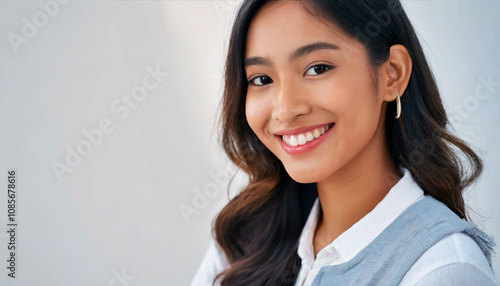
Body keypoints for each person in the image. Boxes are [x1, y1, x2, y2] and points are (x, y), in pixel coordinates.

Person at [191, 0, 499, 285]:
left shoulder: (442, 269)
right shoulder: (243, 239)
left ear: (392, 74)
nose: (285, 109)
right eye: (262, 79)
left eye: (317, 68)